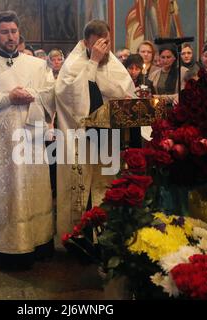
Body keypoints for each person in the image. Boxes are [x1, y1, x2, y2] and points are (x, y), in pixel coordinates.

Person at [0, 11, 55, 271]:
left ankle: (38, 244)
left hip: (32, 139)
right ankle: (3, 251)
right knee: (4, 193)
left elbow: (50, 94)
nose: (10, 37)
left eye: (14, 31)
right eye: (4, 32)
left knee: (34, 190)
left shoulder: (37, 65)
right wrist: (6, 98)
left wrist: (29, 94)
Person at [55, 20, 136, 238]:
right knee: (84, 190)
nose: (104, 49)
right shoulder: (73, 64)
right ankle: (81, 239)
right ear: (85, 42)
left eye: (107, 43)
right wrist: (93, 61)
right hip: (81, 138)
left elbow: (123, 88)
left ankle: (107, 237)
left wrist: (126, 98)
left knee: (107, 186)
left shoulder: (112, 61)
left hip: (108, 137)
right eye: (98, 44)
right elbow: (71, 96)